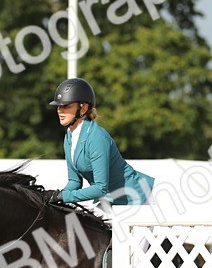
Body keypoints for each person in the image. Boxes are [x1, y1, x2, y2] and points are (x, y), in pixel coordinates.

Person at [45, 78, 154, 207]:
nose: (59, 110)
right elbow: (74, 181)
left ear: (83, 108)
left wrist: (64, 197)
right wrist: (58, 195)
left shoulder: (96, 137)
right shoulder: (69, 136)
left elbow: (100, 188)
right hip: (111, 201)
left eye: (66, 106)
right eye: (59, 106)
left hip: (140, 200)